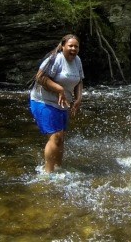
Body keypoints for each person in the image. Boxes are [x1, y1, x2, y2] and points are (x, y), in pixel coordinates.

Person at [29, 34, 84, 173]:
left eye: (76, 46)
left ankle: (58, 168)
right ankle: (48, 173)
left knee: (60, 139)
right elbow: (40, 77)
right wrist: (59, 89)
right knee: (55, 137)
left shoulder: (77, 60)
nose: (73, 49)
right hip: (43, 101)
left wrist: (78, 98)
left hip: (62, 103)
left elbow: (79, 81)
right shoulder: (55, 59)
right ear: (63, 46)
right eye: (70, 46)